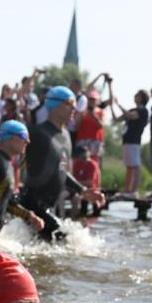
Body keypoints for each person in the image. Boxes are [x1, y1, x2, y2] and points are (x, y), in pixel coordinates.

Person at [20, 87, 106, 242]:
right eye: (69, 102)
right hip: (31, 204)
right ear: (53, 105)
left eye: (75, 103)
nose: (74, 107)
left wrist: (83, 190)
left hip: (49, 206)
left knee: (52, 249)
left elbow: (59, 170)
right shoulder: (37, 133)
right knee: (64, 242)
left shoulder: (66, 136)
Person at [111, 90, 149, 198]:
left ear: (142, 98)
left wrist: (118, 104)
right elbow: (116, 119)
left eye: (137, 95)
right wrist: (112, 106)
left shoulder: (143, 110)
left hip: (134, 142)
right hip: (127, 141)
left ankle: (133, 191)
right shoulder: (134, 110)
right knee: (129, 167)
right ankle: (128, 190)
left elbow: (129, 115)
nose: (134, 96)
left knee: (134, 166)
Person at [67, 145, 100, 217]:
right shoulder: (77, 164)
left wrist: (75, 183)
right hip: (79, 189)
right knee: (76, 198)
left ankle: (86, 216)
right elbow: (74, 178)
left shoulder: (92, 164)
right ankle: (74, 215)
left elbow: (90, 182)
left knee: (84, 200)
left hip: (91, 189)